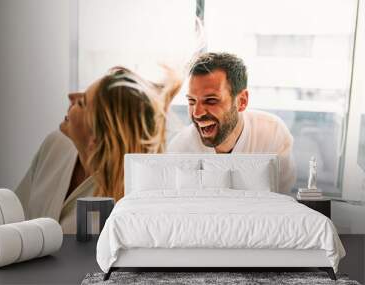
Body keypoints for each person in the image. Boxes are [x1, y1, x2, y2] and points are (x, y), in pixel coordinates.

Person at [16, 66, 181, 233]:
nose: (71, 97)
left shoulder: (128, 209)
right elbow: (14, 215)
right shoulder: (55, 145)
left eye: (81, 103)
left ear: (95, 137)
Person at [167, 52, 296, 194]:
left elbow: (283, 199)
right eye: (191, 101)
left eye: (211, 100)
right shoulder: (180, 149)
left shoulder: (273, 133)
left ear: (242, 101)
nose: (197, 113)